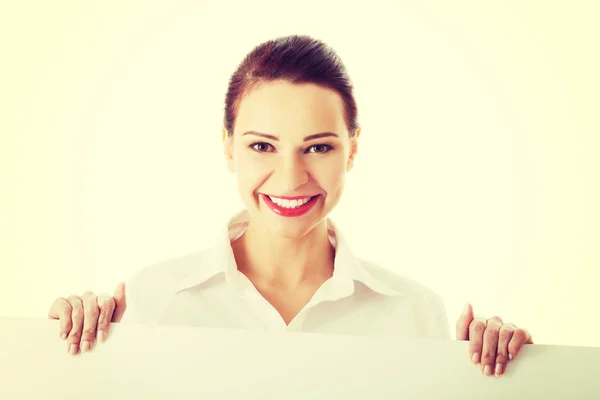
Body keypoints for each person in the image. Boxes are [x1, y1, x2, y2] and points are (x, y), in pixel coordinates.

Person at [48, 34, 533, 378]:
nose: (290, 177)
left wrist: (516, 379)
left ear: (353, 148)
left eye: (318, 147)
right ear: (228, 146)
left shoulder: (414, 313)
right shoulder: (152, 298)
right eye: (262, 146)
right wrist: (64, 357)